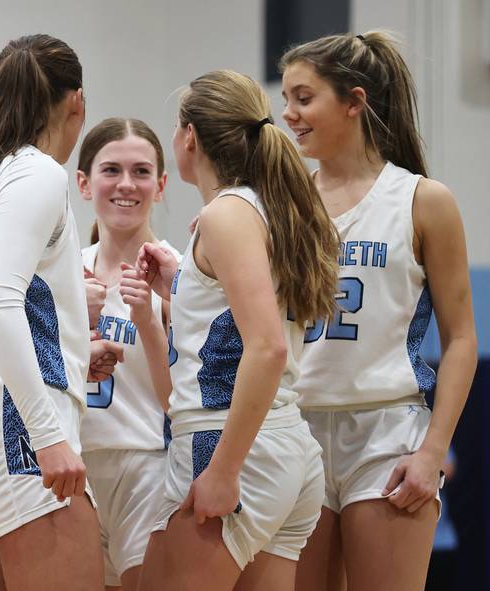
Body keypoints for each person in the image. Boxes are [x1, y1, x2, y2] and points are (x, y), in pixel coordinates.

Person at [280, 31, 477, 591]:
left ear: (354, 101)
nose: (288, 114)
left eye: (303, 97)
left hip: (388, 430)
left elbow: (461, 338)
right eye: (288, 99)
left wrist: (433, 452)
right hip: (297, 430)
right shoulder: (283, 203)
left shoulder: (422, 199)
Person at [0, 34, 121, 591]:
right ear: (76, 102)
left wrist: (75, 351)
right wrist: (47, 432)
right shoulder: (36, 172)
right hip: (13, 422)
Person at [136, 70, 341, 591]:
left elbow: (267, 347)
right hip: (282, 446)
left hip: (227, 441)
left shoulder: (227, 213)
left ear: (189, 137)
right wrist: (180, 283)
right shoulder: (270, 208)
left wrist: (224, 470)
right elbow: (236, 314)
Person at [76, 117, 178, 591]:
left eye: (141, 172)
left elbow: (186, 398)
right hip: (71, 470)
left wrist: (154, 318)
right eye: (111, 170)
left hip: (149, 465)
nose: (126, 184)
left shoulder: (183, 274)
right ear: (83, 183)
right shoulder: (59, 276)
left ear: (160, 185)